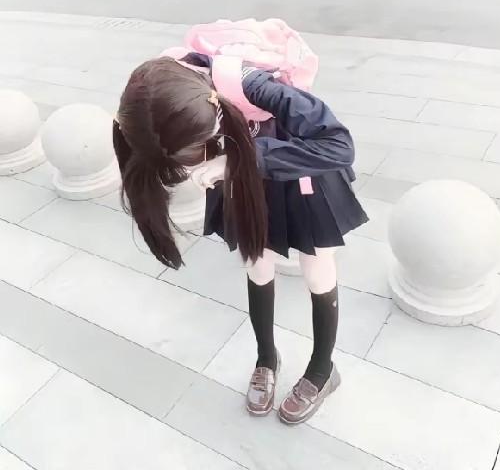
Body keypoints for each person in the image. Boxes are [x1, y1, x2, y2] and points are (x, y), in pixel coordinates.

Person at [113, 52, 369, 425]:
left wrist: (236, 160)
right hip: (242, 177)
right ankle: (266, 357)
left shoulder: (254, 86)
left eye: (197, 148)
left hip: (299, 170)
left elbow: (339, 144)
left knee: (317, 269)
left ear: (213, 113)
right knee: (256, 263)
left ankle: (322, 368)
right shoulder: (155, 98)